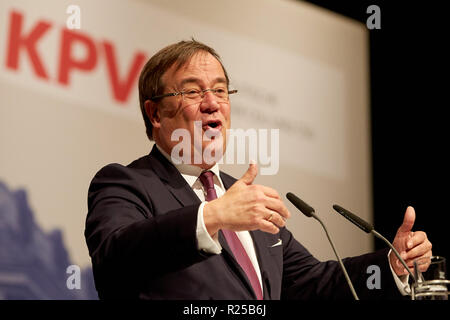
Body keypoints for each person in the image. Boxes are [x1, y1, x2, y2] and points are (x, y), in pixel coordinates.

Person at [84, 40, 432, 300]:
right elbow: (114, 258)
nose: (212, 102)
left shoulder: (242, 200)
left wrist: (390, 264)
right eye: (193, 91)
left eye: (220, 90)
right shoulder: (124, 183)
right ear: (156, 114)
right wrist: (211, 216)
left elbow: (313, 282)